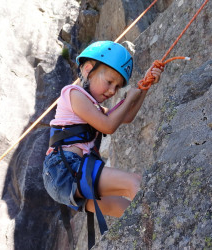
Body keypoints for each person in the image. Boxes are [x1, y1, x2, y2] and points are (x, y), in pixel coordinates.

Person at [42, 41, 162, 220]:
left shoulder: (94, 109)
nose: (112, 91)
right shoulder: (73, 94)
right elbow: (108, 126)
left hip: (66, 177)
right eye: (109, 82)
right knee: (134, 182)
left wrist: (144, 87)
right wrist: (129, 98)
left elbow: (126, 117)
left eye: (117, 87)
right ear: (88, 70)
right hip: (65, 169)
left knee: (131, 212)